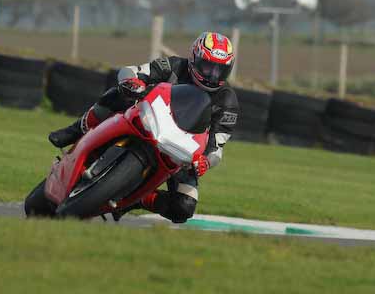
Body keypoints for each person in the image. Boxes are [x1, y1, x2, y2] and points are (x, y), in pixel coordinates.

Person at [48, 31, 239, 223]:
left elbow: (217, 146)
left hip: (180, 151)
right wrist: (132, 82)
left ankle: (137, 199)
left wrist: (206, 161)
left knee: (184, 207)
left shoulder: (227, 101)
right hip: (148, 118)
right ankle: (76, 129)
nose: (212, 75)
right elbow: (133, 71)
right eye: (208, 67)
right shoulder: (175, 65)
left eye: (219, 70)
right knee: (118, 94)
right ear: (194, 58)